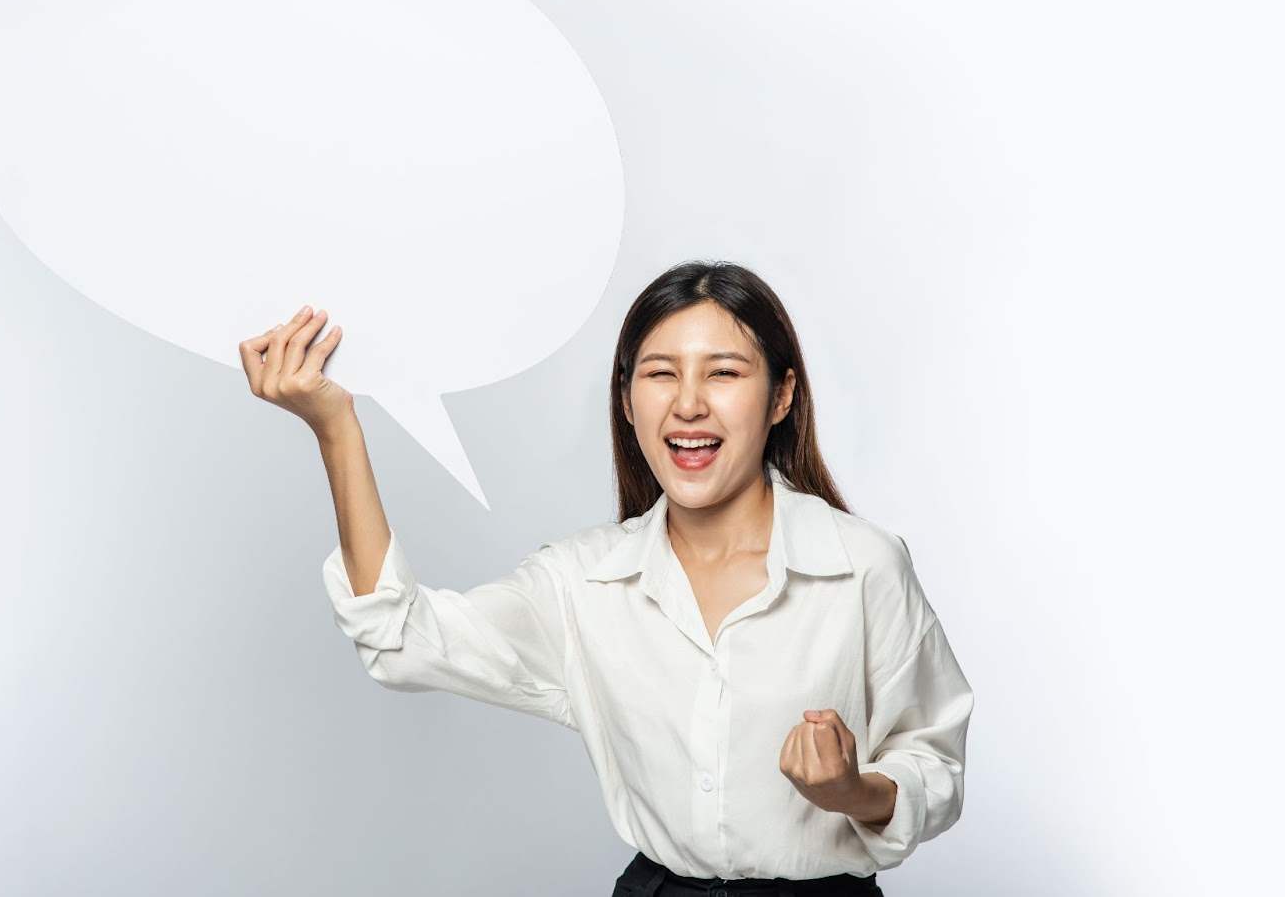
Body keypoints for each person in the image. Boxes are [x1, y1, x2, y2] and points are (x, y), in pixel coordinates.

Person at [238, 260, 974, 895]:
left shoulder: (863, 565)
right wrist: (336, 428)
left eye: (724, 372)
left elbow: (933, 763)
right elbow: (400, 641)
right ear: (628, 400)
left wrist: (854, 791)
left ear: (780, 397)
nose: (688, 403)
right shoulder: (582, 582)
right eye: (660, 374)